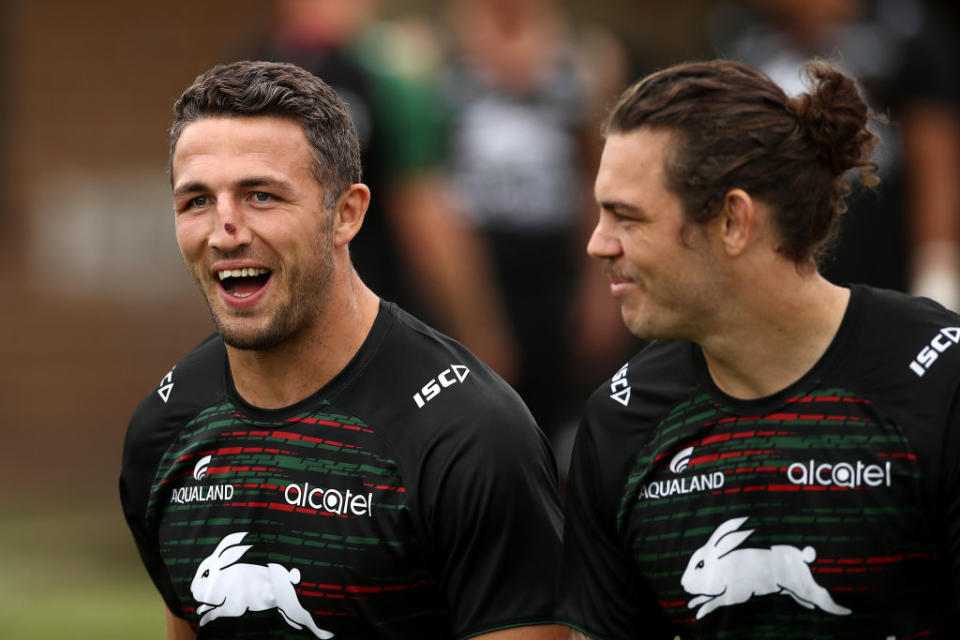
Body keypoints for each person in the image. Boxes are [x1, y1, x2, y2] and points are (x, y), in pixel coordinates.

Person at [119, 60, 565, 640]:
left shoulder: (470, 435)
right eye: (197, 201)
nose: (224, 229)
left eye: (261, 195)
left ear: (346, 214)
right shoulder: (164, 430)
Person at [557, 59, 960, 638]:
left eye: (627, 217)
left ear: (733, 222)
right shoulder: (621, 420)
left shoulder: (940, 381)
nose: (599, 243)